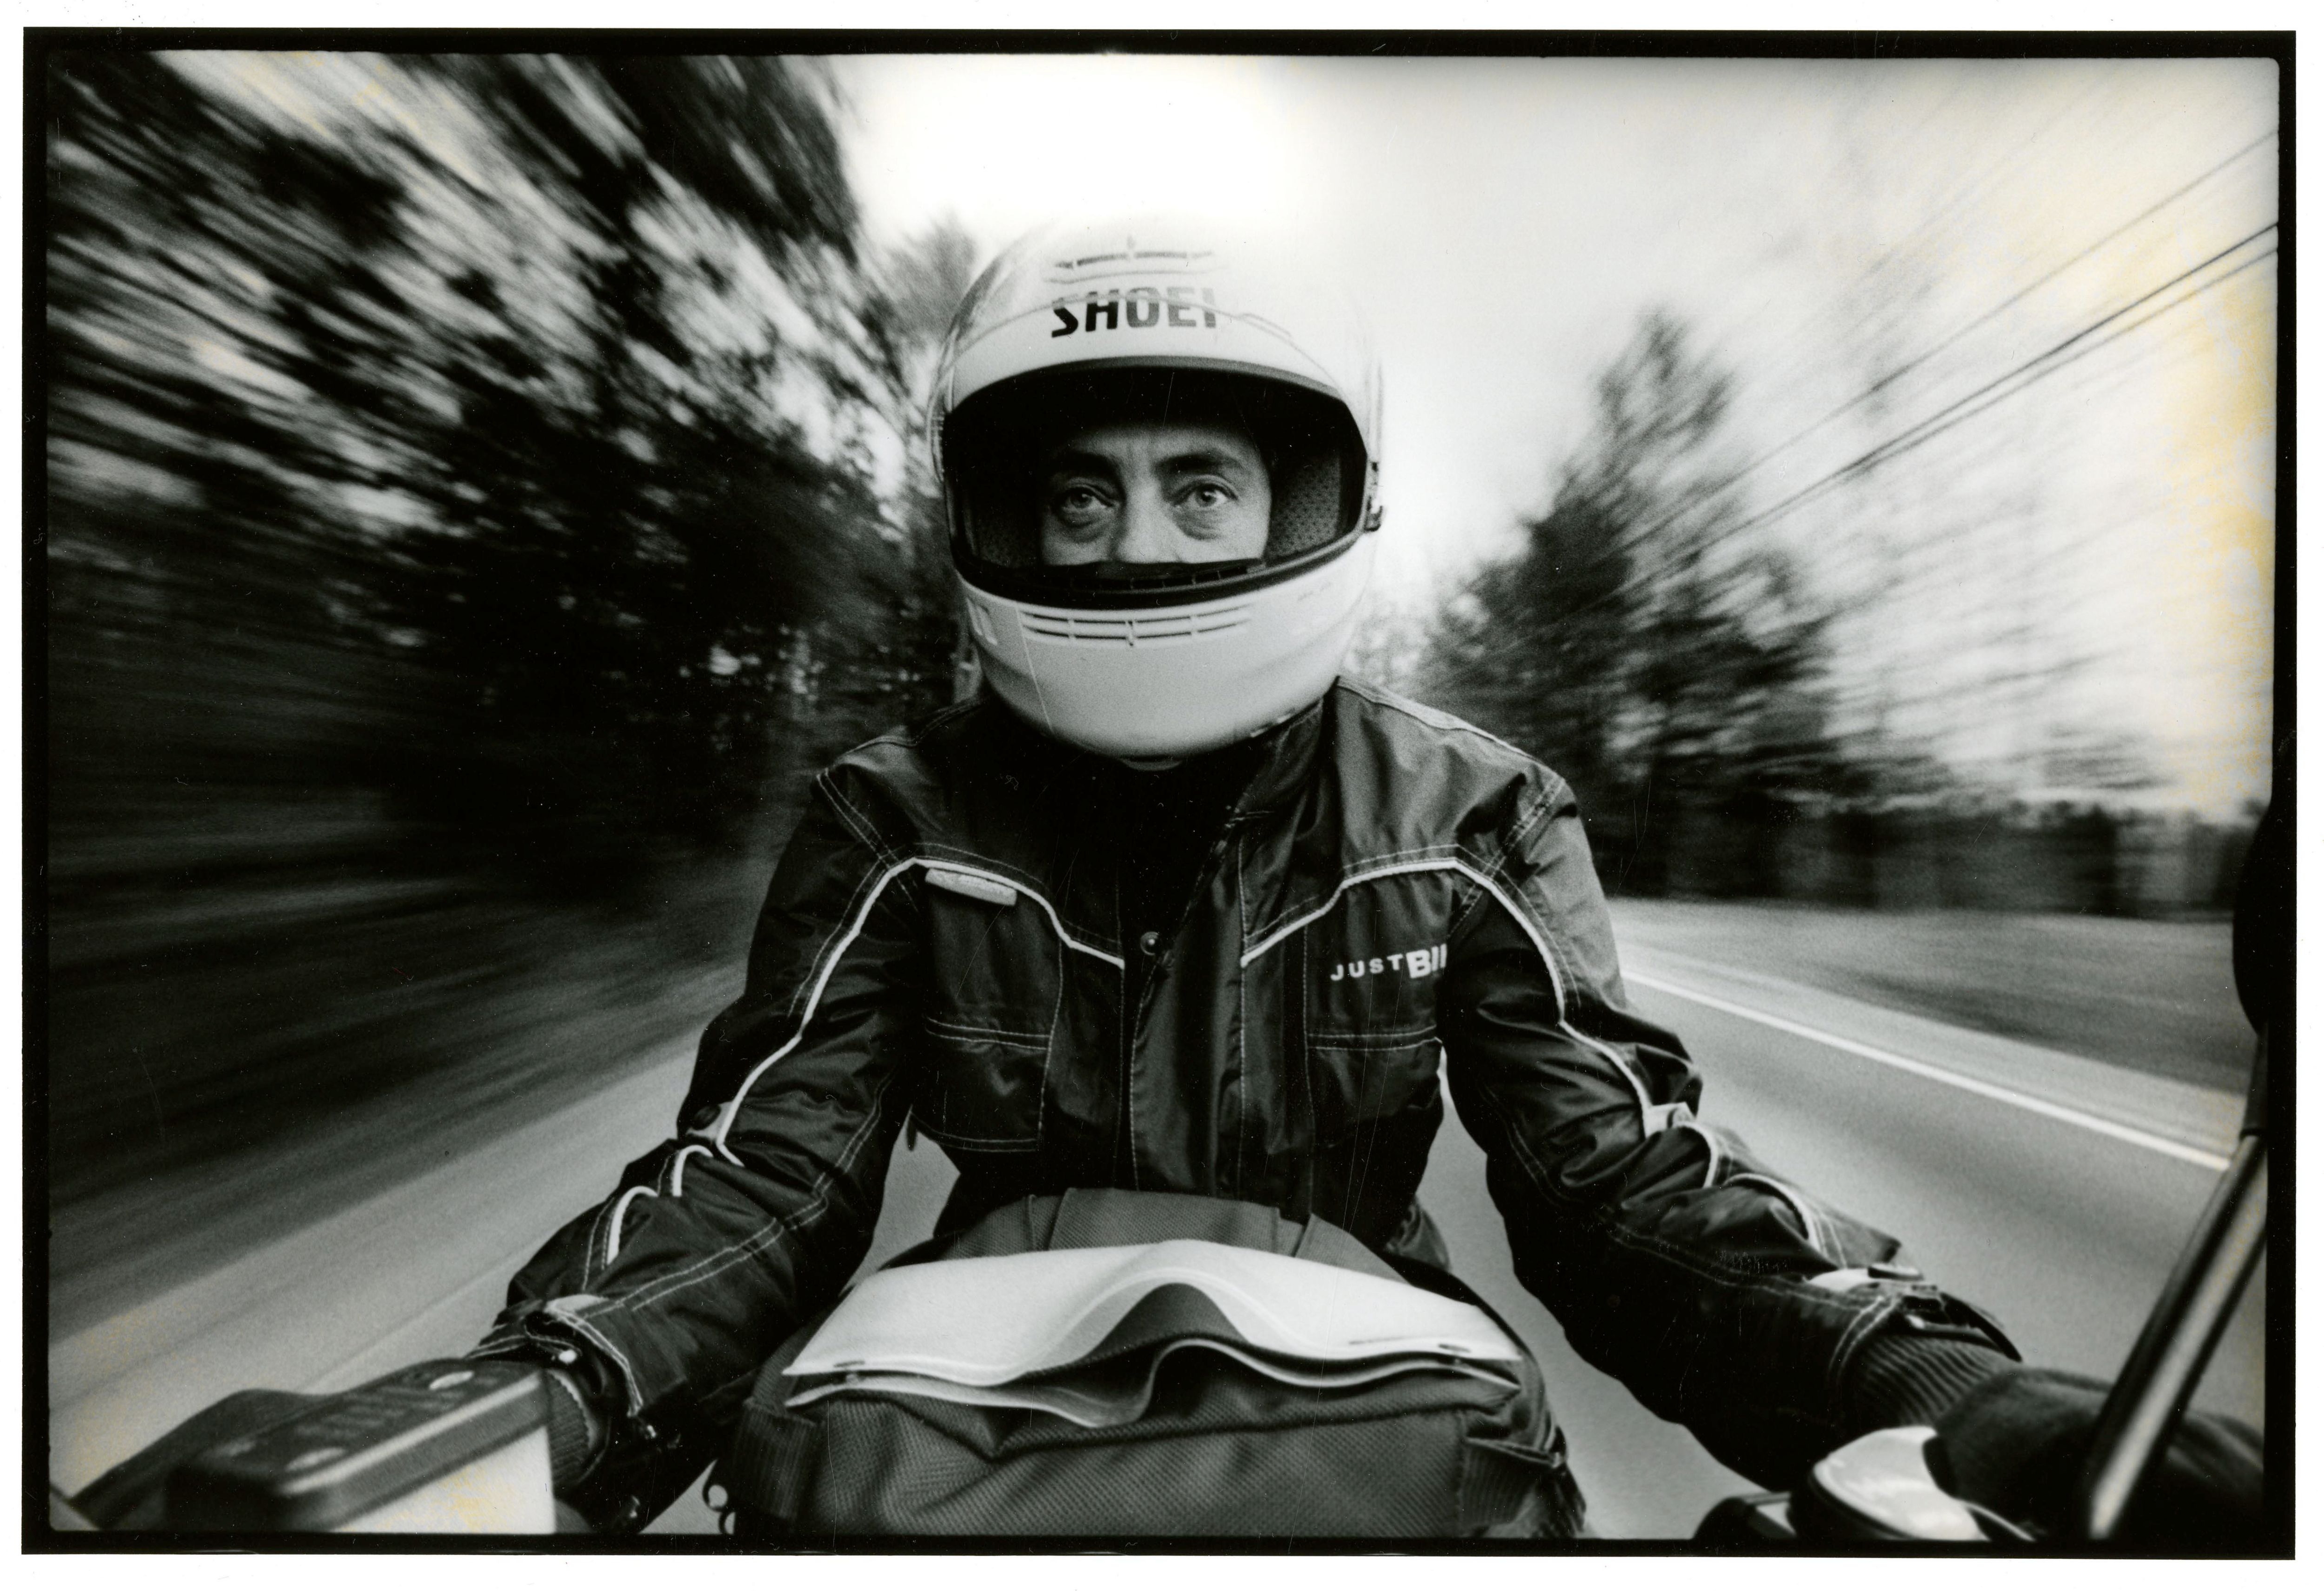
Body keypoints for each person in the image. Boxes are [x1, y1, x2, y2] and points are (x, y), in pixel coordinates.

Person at [470, 216, 2261, 1542]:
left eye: (1201, 487)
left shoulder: (1472, 815)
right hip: (962, 1417)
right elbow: (765, 1173)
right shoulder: (895, 815)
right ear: (1001, 518)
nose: (1138, 542)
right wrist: (534, 1393)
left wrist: (1912, 1373)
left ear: (1309, 502)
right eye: (1082, 497)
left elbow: (1615, 1178)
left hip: (1375, 1409)